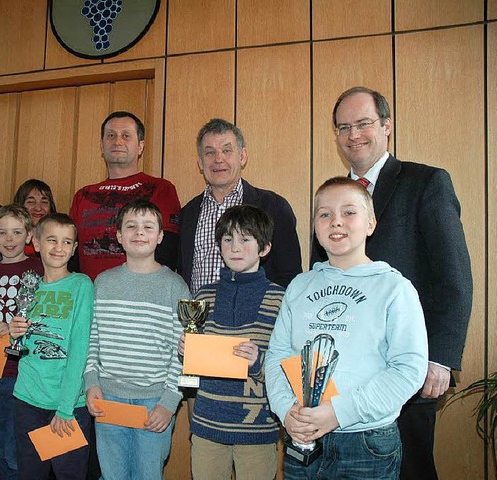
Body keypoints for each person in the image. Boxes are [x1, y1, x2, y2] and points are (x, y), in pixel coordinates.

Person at [311, 87, 473, 480]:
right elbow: (318, 281)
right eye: (344, 127)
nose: (354, 135)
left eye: (363, 123)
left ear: (386, 126)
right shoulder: (330, 197)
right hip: (340, 376)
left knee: (411, 469)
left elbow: (453, 277)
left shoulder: (427, 182)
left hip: (407, 369)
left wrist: (440, 358)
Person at [267, 177, 429, 479]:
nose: (335, 222)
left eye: (349, 212)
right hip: (301, 436)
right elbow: (276, 354)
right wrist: (286, 410)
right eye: (324, 214)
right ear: (315, 226)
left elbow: (408, 369)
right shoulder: (299, 287)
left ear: (370, 223)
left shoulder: (394, 287)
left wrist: (338, 413)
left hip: (365, 442)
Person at [84, 199, 190, 480]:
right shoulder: (103, 282)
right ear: (119, 236)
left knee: (148, 474)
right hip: (109, 398)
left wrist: (169, 401)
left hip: (154, 401)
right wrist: (92, 383)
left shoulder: (174, 286)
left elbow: (184, 352)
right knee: (112, 474)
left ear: (160, 236)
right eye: (130, 226)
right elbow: (92, 339)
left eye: (147, 227)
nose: (139, 232)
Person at [178, 205, 285, 480]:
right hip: (207, 423)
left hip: (257, 427)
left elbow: (288, 365)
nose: (235, 247)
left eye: (245, 239)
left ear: (265, 248)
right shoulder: (204, 295)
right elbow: (196, 360)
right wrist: (187, 352)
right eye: (228, 239)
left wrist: (258, 362)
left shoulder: (281, 299)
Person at [9, 213, 93, 480]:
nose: (59, 248)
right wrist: (14, 334)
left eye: (67, 242)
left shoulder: (81, 285)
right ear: (35, 241)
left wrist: (65, 408)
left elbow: (80, 348)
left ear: (74, 248)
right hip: (28, 400)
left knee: (69, 474)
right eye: (52, 240)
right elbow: (21, 343)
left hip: (68, 405)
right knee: (30, 474)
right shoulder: (29, 286)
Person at [179, 118, 302, 295]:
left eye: (227, 151)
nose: (218, 159)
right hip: (201, 320)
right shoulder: (187, 214)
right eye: (209, 153)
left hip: (257, 320)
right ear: (200, 162)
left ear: (242, 156)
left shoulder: (273, 207)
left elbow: (289, 275)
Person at [0, 204, 44, 480]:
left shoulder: (38, 268)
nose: (9, 239)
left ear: (29, 236)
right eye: (2, 233)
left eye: (16, 232)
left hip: (25, 371)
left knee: (18, 447)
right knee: (0, 444)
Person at [69, 111, 181, 281]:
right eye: (111, 135)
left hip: (140, 297)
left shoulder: (161, 189)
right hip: (91, 298)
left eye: (126, 135)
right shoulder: (83, 195)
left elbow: (168, 252)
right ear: (101, 145)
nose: (117, 141)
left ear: (140, 146)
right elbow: (71, 255)